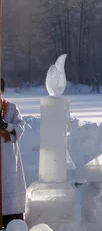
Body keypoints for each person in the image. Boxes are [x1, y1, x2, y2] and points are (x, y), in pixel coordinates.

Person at [0, 78, 26, 228]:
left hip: (8, 156)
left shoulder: (11, 108)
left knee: (9, 186)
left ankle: (12, 222)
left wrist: (6, 125)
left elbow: (20, 128)